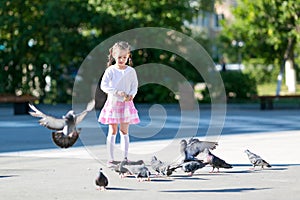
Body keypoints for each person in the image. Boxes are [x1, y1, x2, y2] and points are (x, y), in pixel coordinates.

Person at [98, 41, 140, 166]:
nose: (121, 60)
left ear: (128, 56)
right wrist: (117, 92)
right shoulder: (111, 70)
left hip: (127, 105)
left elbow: (134, 86)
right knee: (113, 131)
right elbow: (103, 86)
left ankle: (125, 158)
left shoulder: (131, 71)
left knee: (124, 131)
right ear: (113, 56)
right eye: (119, 57)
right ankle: (111, 159)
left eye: (124, 57)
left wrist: (132, 95)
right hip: (113, 104)